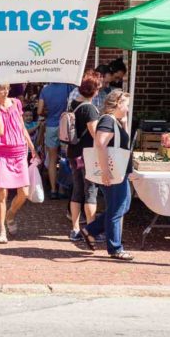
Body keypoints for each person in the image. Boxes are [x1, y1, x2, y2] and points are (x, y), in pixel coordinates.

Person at [80, 90, 134, 260]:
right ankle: (115, 248)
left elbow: (121, 144)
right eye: (126, 104)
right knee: (117, 208)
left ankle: (92, 229)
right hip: (113, 172)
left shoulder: (114, 121)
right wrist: (105, 171)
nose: (127, 108)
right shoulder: (107, 120)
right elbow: (100, 144)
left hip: (118, 171)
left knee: (121, 206)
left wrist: (124, 124)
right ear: (118, 104)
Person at [0, 84, 39, 244]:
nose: (5, 91)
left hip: (19, 151)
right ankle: (1, 230)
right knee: (2, 193)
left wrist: (32, 147)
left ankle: (11, 215)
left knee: (24, 193)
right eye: (1, 89)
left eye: (6, 88)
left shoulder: (16, 103)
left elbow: (21, 126)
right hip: (2, 152)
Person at [66, 72, 101, 241]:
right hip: (87, 154)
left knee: (77, 190)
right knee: (91, 191)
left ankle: (74, 229)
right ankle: (91, 229)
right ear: (94, 91)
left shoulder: (74, 104)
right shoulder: (90, 109)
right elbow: (95, 134)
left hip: (73, 152)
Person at [37, 82, 74, 199]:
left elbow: (39, 111)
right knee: (65, 157)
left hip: (51, 125)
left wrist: (47, 114)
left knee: (52, 159)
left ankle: (53, 190)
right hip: (64, 126)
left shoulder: (45, 90)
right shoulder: (68, 87)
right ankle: (62, 188)